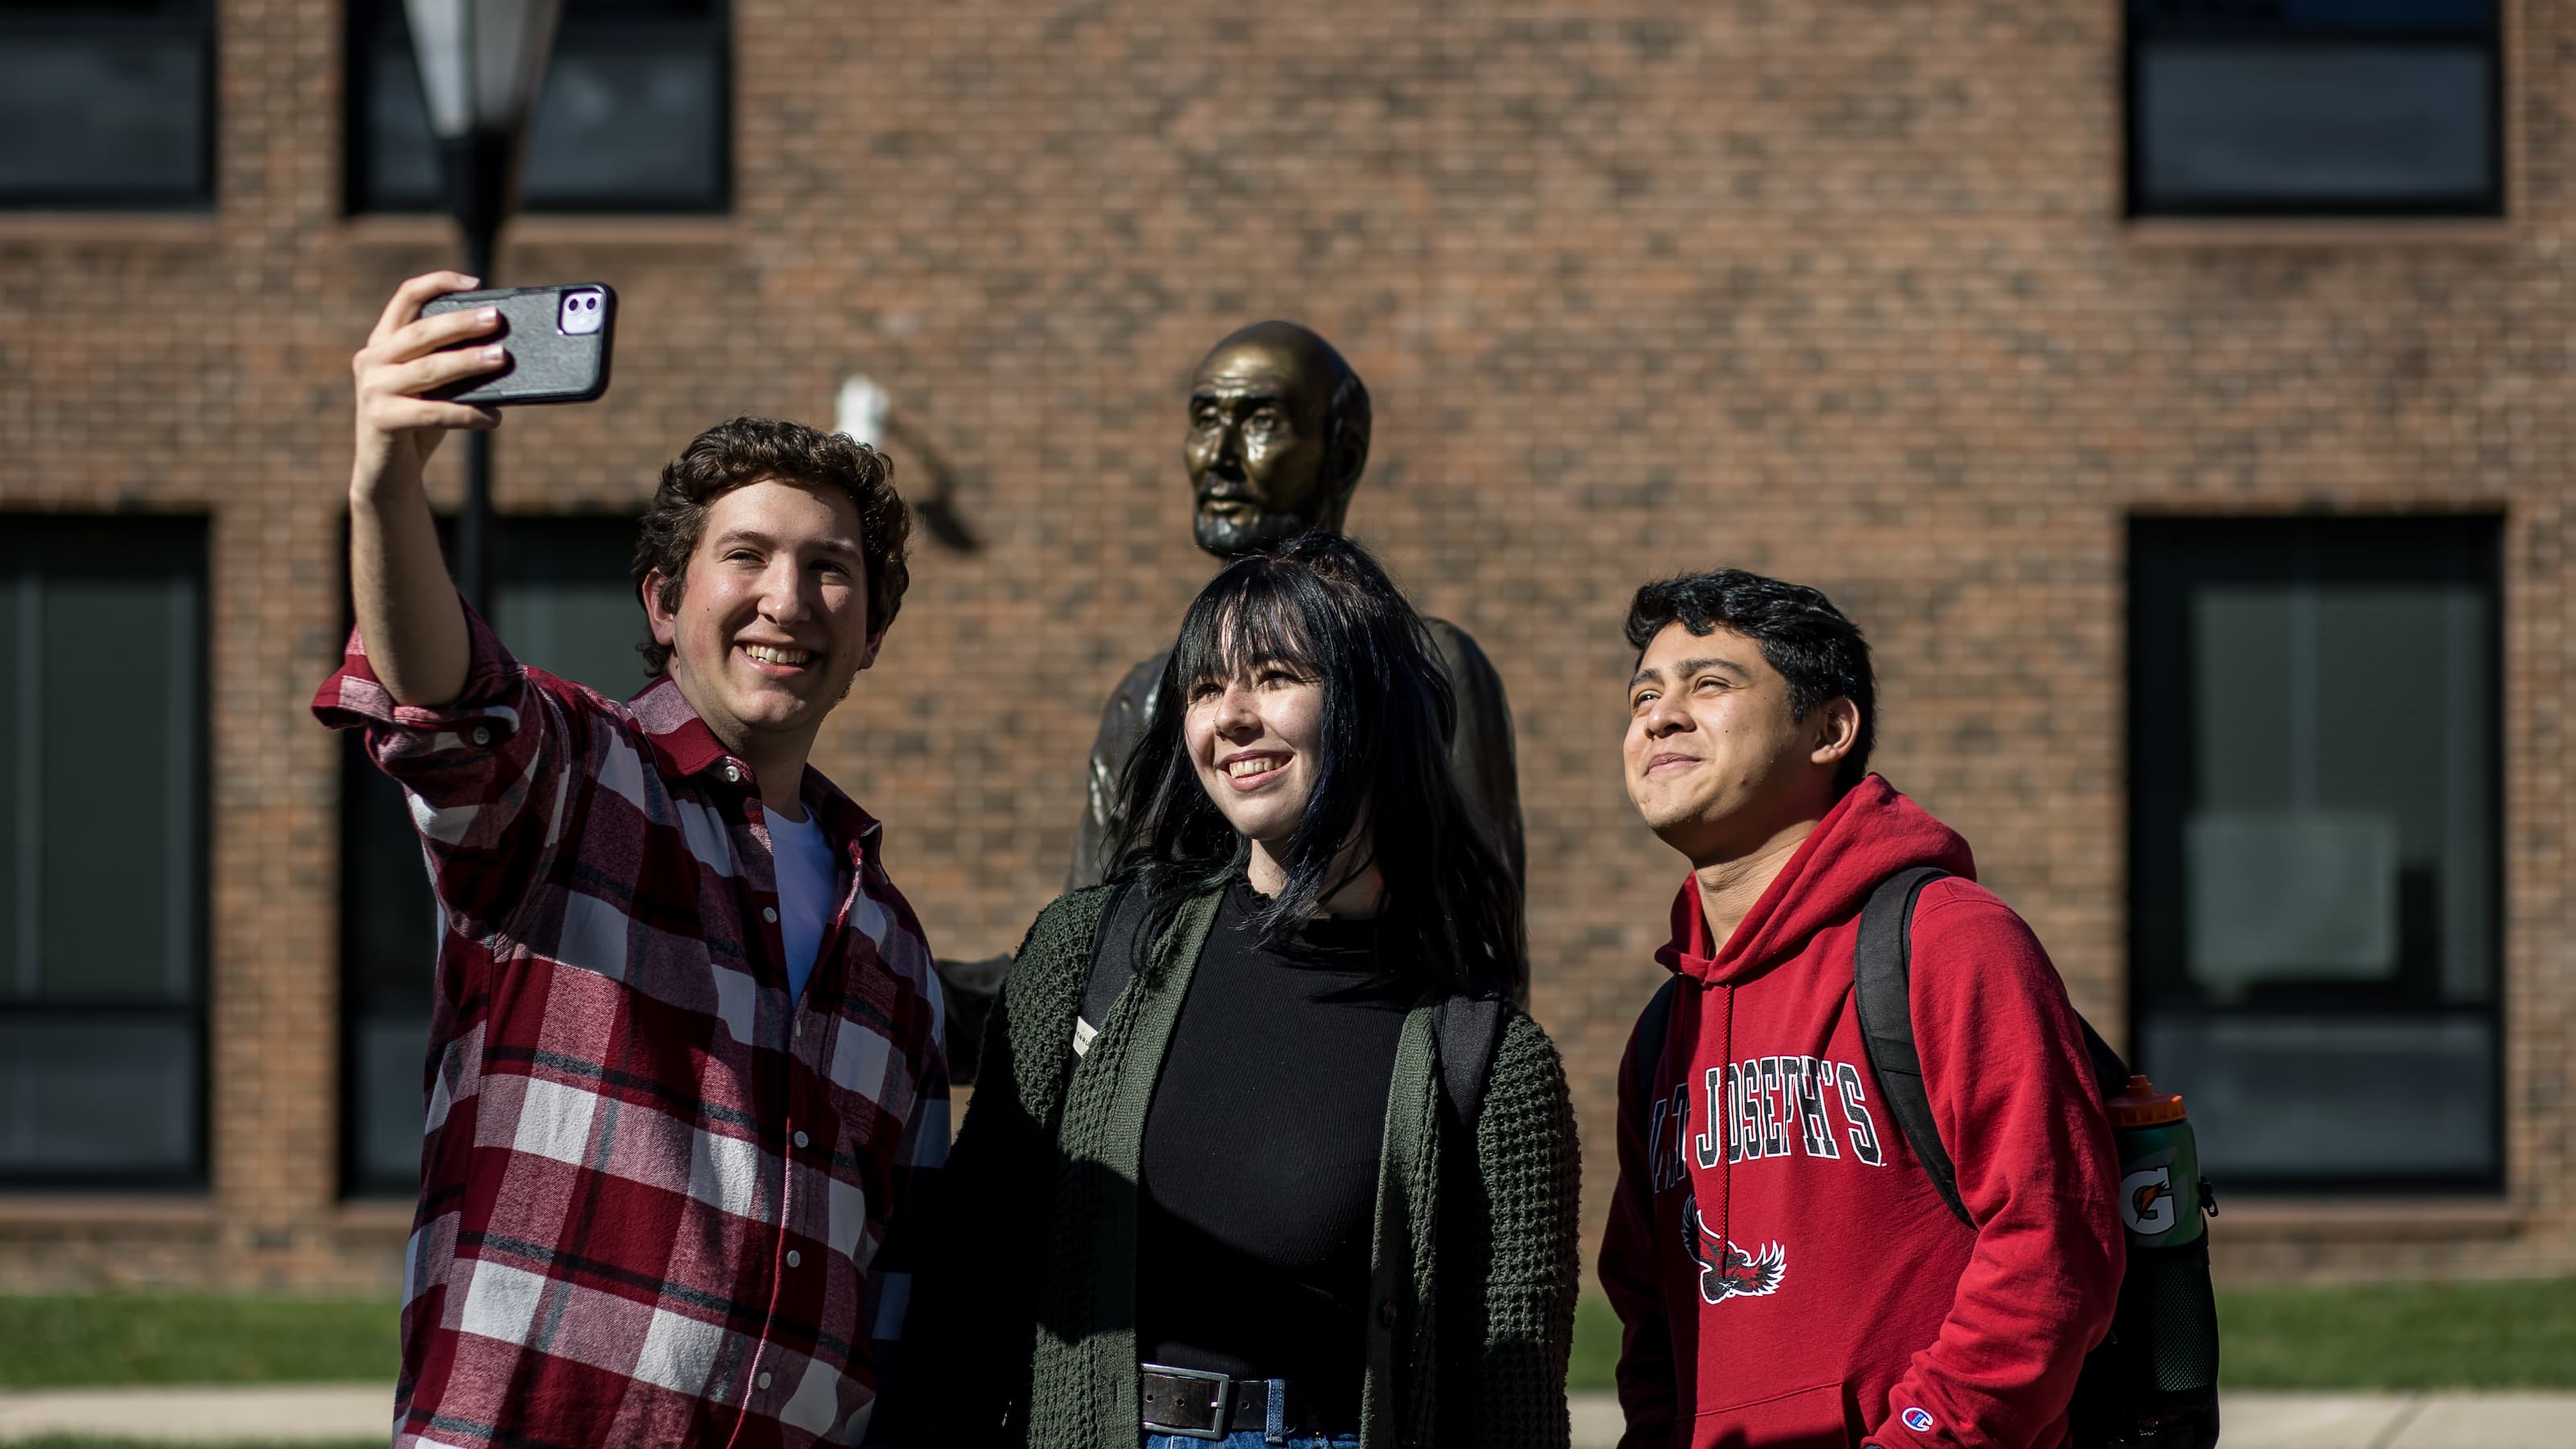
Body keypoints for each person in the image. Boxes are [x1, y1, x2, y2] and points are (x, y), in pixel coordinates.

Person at [315, 272, 948, 1448]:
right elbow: (441, 698)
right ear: (664, 602)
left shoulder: (892, 946)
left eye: (831, 570)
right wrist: (386, 485)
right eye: (746, 556)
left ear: (871, 634)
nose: (788, 600)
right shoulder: (578, 787)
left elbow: (891, 1297)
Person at [886, 535, 1579, 1449]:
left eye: (1275, 676)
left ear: (1371, 708)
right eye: (1205, 689)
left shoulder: (1486, 1061)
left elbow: (1513, 1405)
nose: (1230, 718)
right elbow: (969, 1275)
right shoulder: (1092, 951)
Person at [1596, 569, 2124, 1449]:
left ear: (1828, 730)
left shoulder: (1950, 942)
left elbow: (2051, 1247)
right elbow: (1648, 1315)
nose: (1657, 717)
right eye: (1643, 694)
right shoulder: (1664, 1027)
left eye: (1709, 685)